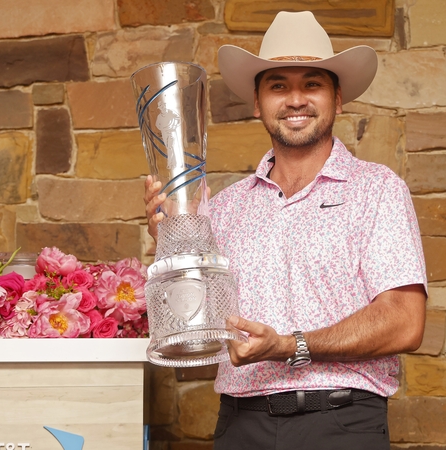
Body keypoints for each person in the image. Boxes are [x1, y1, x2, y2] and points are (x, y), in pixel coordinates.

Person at [144, 11, 427, 450]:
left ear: (338, 97)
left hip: (342, 425)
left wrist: (289, 345)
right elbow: (192, 320)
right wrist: (169, 240)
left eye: (312, 83)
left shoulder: (378, 190)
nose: (296, 99)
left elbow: (405, 323)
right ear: (258, 103)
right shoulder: (221, 208)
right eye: (278, 85)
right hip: (241, 426)